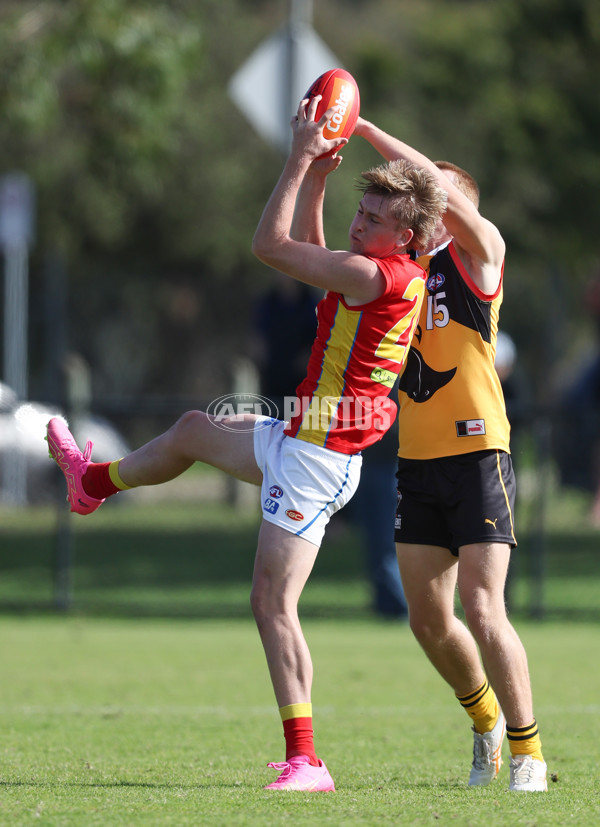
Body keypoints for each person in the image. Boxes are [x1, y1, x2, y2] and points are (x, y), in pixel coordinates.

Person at [46, 95, 447, 792]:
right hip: (302, 437)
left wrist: (297, 157)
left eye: (376, 221)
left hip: (317, 459)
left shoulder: (371, 275)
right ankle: (94, 483)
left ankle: (307, 760)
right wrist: (324, 172)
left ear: (406, 237)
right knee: (195, 430)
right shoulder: (384, 268)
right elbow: (327, 251)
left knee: (271, 603)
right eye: (362, 210)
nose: (361, 225)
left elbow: (271, 248)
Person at [354, 116, 548, 792]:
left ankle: (528, 753)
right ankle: (485, 719)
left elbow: (438, 189)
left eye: (440, 200)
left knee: (483, 606)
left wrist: (367, 127)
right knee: (428, 619)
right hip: (417, 461)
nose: (430, 208)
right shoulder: (399, 273)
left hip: (478, 455)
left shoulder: (481, 258)